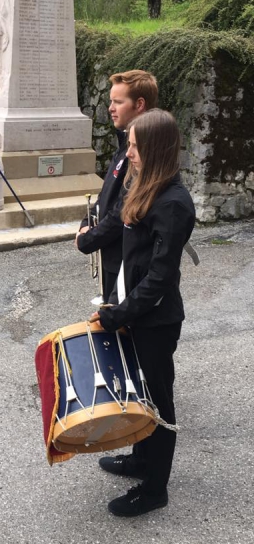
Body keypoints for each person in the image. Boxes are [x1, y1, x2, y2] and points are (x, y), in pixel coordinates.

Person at [89, 109, 196, 517]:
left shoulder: (173, 203)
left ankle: (155, 488)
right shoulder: (143, 185)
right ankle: (139, 459)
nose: (127, 151)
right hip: (134, 313)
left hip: (156, 319)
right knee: (137, 392)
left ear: (154, 149)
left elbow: (160, 278)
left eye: (133, 145)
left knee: (158, 401)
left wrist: (121, 315)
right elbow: (119, 227)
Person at [76, 70, 158, 301]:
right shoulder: (124, 145)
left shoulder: (143, 153)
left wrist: (88, 239)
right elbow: (105, 197)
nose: (110, 108)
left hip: (126, 262)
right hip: (111, 257)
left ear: (139, 104)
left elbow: (122, 210)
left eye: (118, 102)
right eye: (110, 101)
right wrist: (86, 222)